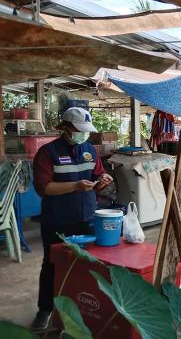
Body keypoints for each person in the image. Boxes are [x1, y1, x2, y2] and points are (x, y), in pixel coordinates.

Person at [31, 107, 113, 330]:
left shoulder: (90, 150)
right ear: (65, 128)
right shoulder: (48, 153)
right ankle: (45, 310)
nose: (83, 135)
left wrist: (103, 178)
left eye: (86, 131)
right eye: (79, 130)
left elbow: (96, 173)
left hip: (85, 217)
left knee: (84, 265)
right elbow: (44, 188)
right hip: (57, 220)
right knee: (51, 265)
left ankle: (80, 308)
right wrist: (75, 186)